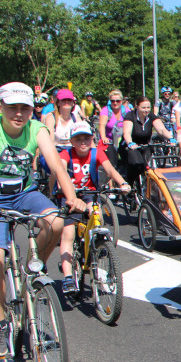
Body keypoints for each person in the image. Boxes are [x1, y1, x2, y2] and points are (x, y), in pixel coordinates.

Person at [0, 82, 85, 358]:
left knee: (56, 222)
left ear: (33, 109)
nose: (19, 113)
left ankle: (32, 268)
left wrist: (72, 197)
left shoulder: (37, 128)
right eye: (13, 107)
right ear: (0, 107)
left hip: (24, 192)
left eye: (25, 108)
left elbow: (56, 164)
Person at [56, 122, 130, 293]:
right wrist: (65, 190)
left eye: (87, 138)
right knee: (68, 233)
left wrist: (123, 183)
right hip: (69, 196)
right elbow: (59, 168)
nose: (83, 142)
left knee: (96, 214)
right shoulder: (66, 153)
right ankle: (68, 276)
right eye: (78, 139)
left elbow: (110, 169)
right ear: (72, 141)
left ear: (92, 139)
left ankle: (96, 244)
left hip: (89, 193)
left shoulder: (97, 153)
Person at [122, 96, 176, 184]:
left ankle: (147, 188)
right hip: (131, 147)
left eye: (148, 107)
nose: (146, 110)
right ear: (137, 106)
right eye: (143, 107)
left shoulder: (150, 116)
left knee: (148, 167)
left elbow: (161, 130)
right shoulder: (130, 115)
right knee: (137, 165)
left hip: (145, 145)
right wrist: (130, 143)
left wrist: (171, 138)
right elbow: (127, 133)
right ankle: (130, 186)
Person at [98, 90, 127, 168]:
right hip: (109, 140)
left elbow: (131, 124)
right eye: (112, 101)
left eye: (118, 101)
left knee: (128, 156)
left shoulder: (126, 110)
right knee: (112, 161)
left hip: (122, 139)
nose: (115, 103)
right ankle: (111, 178)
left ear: (121, 101)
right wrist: (103, 137)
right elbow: (102, 125)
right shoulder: (106, 110)